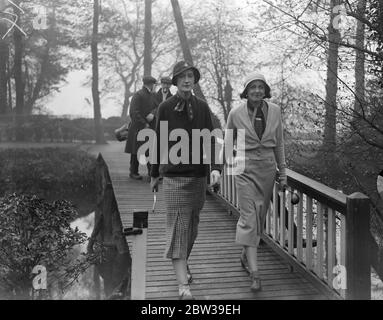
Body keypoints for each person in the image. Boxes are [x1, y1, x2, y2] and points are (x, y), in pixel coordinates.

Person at [150, 61, 221, 300]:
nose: (187, 80)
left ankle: (184, 263)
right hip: (174, 177)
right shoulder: (166, 107)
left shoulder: (201, 107)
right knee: (179, 227)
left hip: (198, 176)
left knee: (191, 228)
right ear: (175, 80)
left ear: (195, 80)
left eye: (191, 76)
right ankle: (183, 287)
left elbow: (212, 138)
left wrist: (216, 168)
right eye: (182, 77)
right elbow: (157, 141)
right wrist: (153, 174)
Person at [223, 72, 287, 292]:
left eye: (261, 87)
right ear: (246, 91)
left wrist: (283, 172)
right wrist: (225, 169)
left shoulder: (276, 111)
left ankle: (245, 255)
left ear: (265, 90)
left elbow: (279, 143)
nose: (257, 91)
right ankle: (256, 274)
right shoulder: (236, 113)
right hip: (244, 168)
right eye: (253, 87)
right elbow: (229, 141)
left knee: (259, 218)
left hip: (267, 169)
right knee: (249, 218)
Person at [125, 75, 157, 180]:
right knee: (136, 151)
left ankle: (150, 173)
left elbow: (157, 107)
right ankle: (134, 172)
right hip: (138, 128)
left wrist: (152, 113)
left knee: (146, 150)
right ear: (150, 84)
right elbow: (134, 112)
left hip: (146, 127)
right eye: (153, 84)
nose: (154, 86)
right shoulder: (138, 95)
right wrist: (144, 124)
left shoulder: (151, 95)